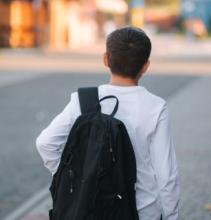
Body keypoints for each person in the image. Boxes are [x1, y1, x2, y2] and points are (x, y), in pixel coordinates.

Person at [36, 26, 180, 220]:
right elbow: (166, 174)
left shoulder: (83, 100)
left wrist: (75, 175)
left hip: (92, 208)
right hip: (143, 211)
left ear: (106, 59)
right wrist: (171, 215)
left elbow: (45, 143)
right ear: (145, 66)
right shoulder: (156, 107)